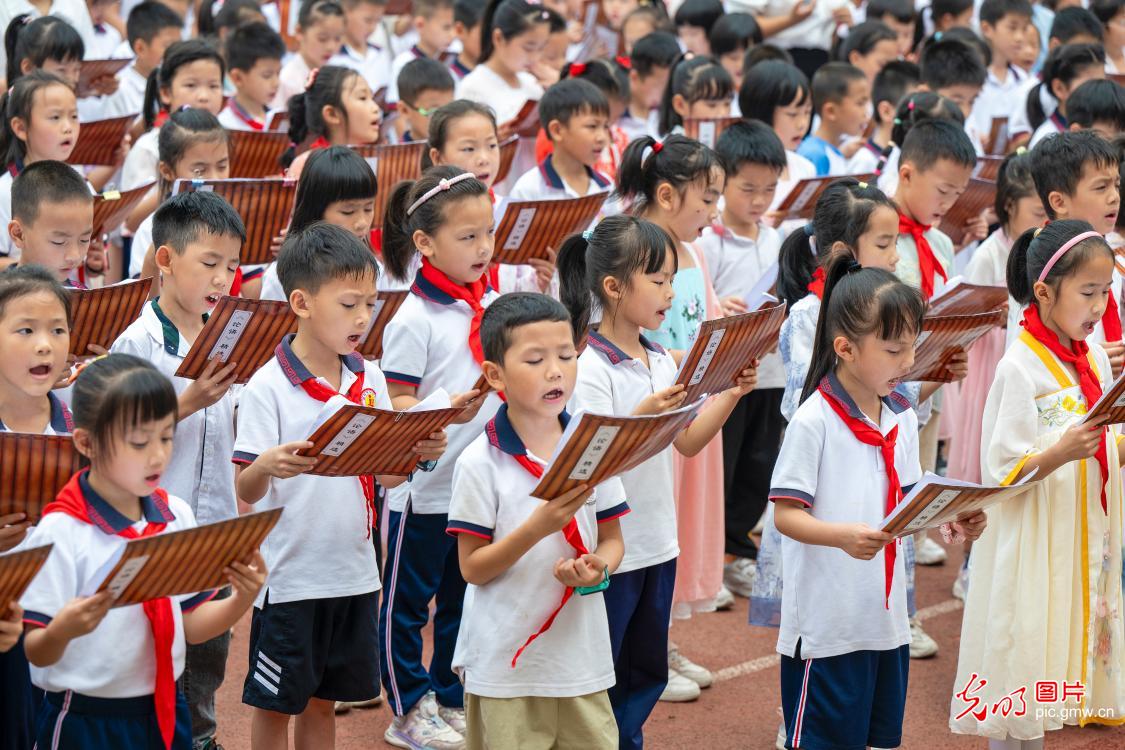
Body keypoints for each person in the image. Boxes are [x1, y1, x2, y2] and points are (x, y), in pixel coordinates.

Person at [234, 223, 446, 750]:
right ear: (301, 302)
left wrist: (417, 454)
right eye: (349, 303)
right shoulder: (268, 386)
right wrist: (268, 464)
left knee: (325, 701)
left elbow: (387, 475)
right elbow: (247, 486)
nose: (362, 317)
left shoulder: (366, 377)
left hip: (353, 573)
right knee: (275, 703)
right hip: (290, 578)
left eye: (370, 304)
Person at [772, 255, 987, 750]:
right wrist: (843, 536)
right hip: (828, 627)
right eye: (894, 350)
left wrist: (950, 520)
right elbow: (785, 515)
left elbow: (907, 502)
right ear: (845, 348)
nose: (909, 362)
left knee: (880, 740)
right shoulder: (814, 421)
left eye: (912, 346)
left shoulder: (900, 415)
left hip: (885, 622)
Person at [559, 213, 757, 747]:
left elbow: (688, 442)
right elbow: (593, 462)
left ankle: (629, 739)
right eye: (660, 281)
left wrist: (731, 395)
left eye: (672, 280)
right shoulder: (590, 368)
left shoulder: (658, 359)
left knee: (646, 667)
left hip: (656, 543)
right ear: (614, 288)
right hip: (611, 546)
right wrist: (647, 413)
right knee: (602, 668)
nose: (671, 293)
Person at [21, 353, 268, 749]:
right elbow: (36, 650)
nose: (157, 455)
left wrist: (244, 597)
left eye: (166, 436)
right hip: (85, 719)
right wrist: (64, 629)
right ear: (86, 442)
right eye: (139, 442)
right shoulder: (61, 531)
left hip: (165, 710)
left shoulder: (175, 515)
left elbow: (190, 622)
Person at [951, 219, 1125, 747]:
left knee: (1054, 646)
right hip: (1033, 539)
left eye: (1106, 293)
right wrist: (1059, 453)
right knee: (1022, 646)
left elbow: (1101, 439)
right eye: (1088, 293)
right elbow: (999, 468)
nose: (1099, 308)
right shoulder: (1019, 368)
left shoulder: (1089, 355)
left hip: (1074, 533)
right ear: (1045, 292)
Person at [449, 292, 627, 750]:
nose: (556, 371)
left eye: (566, 355)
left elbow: (613, 540)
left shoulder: (593, 443)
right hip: (505, 663)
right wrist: (538, 526)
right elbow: (472, 568)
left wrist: (598, 567)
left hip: (580, 659)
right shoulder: (478, 462)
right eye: (535, 359)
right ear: (494, 375)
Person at [110, 190, 244, 750]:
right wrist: (186, 402)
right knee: (164, 670)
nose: (223, 278)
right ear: (164, 260)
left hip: (217, 526)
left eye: (232, 266)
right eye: (209, 264)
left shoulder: (230, 333)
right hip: (161, 537)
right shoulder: (137, 342)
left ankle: (204, 738)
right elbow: (120, 441)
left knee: (209, 666)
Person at [378, 167, 503, 749]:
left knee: (461, 597)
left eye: (488, 233)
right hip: (420, 488)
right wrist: (443, 408)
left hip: (475, 486)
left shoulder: (491, 303)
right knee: (407, 603)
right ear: (425, 244)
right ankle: (407, 707)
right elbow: (396, 401)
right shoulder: (414, 318)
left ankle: (448, 697)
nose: (483, 248)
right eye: (467, 237)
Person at [697, 120, 785, 599]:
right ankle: (711, 562)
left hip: (769, 374)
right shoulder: (707, 242)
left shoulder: (774, 239)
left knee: (758, 466)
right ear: (722, 182)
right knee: (723, 470)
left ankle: (737, 554)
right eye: (747, 188)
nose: (759, 200)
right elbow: (701, 302)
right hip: (725, 379)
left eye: (769, 189)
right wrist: (723, 303)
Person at [0, 265, 73, 750]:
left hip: (65, 622)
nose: (44, 344)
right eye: (25, 330)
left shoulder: (83, 430)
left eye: (57, 330)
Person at [1029, 130, 1123, 373]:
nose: (1114, 197)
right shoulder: (1039, 266)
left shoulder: (1114, 255)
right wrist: (1096, 359)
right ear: (1059, 202)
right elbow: (1031, 350)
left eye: (1117, 184)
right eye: (1101, 187)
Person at [0, 71, 82, 262]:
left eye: (74, 116)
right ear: (20, 128)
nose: (68, 127)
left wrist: (91, 262)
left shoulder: (81, 183)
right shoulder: (5, 192)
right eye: (55, 117)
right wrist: (45, 267)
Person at [125, 39, 225, 191]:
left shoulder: (223, 137)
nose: (204, 96)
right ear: (165, 93)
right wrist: (177, 185)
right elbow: (130, 213)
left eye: (213, 86)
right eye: (191, 85)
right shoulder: (148, 148)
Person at [510, 78, 614, 201]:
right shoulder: (529, 189)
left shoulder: (606, 186)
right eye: (592, 126)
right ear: (557, 130)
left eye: (606, 126)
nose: (602, 137)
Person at [279, 65, 382, 179]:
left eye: (371, 98)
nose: (376, 107)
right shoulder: (308, 166)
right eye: (362, 98)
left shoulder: (372, 158)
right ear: (331, 114)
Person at [7, 160, 92, 284]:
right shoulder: (5, 300)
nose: (75, 256)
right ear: (18, 234)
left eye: (84, 240)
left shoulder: (82, 296)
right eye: (59, 242)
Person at [968, 0, 1032, 154]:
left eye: (1024, 29)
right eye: (1012, 28)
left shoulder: (1025, 80)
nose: (1020, 37)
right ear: (987, 28)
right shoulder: (973, 80)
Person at [103, 1, 184, 119]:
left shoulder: (178, 82)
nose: (176, 52)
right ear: (140, 48)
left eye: (179, 45)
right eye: (168, 46)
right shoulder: (120, 90)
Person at [797, 62, 871, 176]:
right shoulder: (815, 155)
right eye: (860, 103)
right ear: (831, 111)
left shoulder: (831, 152)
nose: (866, 112)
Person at [273, 0, 346, 109]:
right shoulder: (287, 80)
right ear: (299, 31)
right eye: (322, 38)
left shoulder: (341, 72)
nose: (331, 47)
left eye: (337, 38)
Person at [387, 0, 456, 107]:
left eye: (454, 27)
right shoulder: (403, 62)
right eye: (446, 27)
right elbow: (397, 114)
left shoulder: (452, 59)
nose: (453, 34)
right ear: (420, 25)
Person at [218, 21, 285, 132]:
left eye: (278, 73)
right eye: (267, 75)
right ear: (237, 78)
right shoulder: (225, 125)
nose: (276, 83)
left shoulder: (278, 119)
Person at [656, 53, 733, 137]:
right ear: (680, 105)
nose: (723, 113)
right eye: (712, 105)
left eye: (727, 104)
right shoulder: (671, 149)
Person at [329, 0, 394, 96]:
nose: (373, 28)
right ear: (345, 12)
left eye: (378, 21)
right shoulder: (331, 57)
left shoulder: (380, 54)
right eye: (368, 20)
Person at [394, 57, 455, 144]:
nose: (445, 121)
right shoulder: (396, 157)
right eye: (434, 112)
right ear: (404, 110)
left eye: (451, 109)